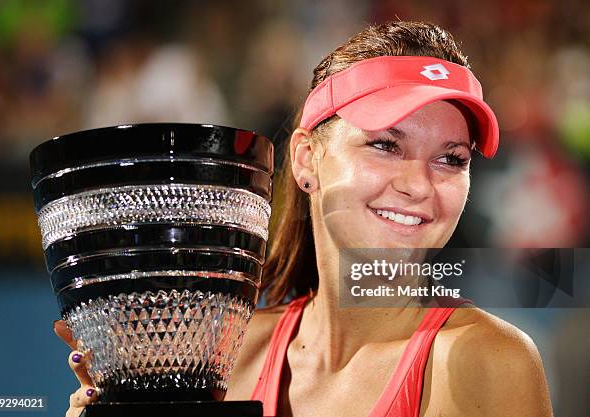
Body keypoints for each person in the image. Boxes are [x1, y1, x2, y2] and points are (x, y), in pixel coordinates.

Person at [55, 21, 554, 417]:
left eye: (452, 159)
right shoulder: (229, 357)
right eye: (385, 145)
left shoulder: (488, 361)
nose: (419, 186)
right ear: (306, 159)